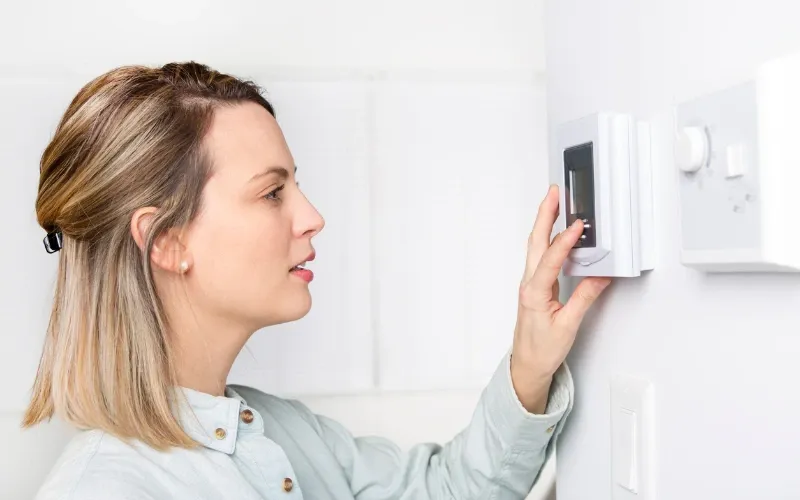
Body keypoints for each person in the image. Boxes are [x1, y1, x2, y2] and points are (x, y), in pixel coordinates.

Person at [24, 62, 611, 500]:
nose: (312, 217)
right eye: (273, 192)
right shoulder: (103, 488)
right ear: (168, 241)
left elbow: (446, 490)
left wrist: (530, 366)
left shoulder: (283, 434)